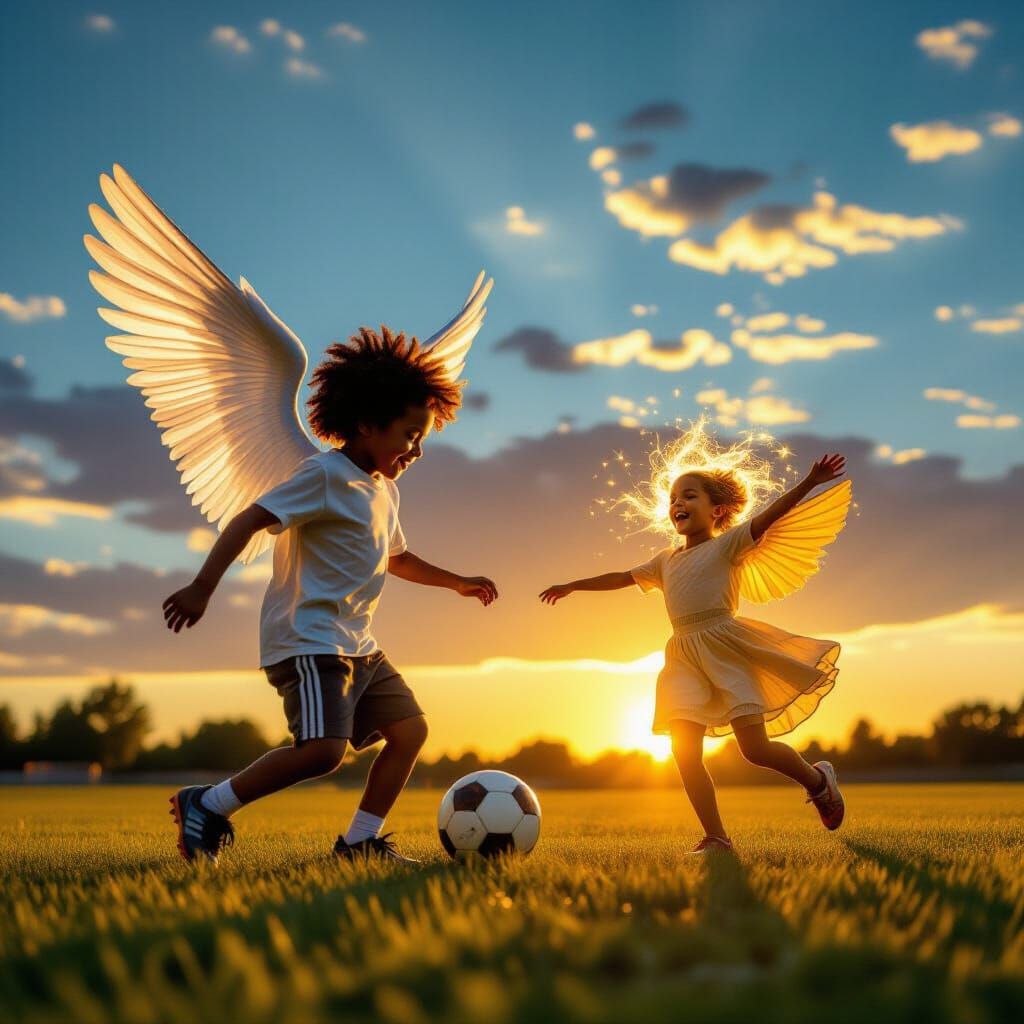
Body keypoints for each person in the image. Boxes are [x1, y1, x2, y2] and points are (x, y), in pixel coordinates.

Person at [540, 453, 851, 853]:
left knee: (755, 750)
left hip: (726, 650)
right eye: (673, 499)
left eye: (689, 496)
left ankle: (818, 781)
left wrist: (810, 482)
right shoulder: (665, 561)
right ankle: (716, 837)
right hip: (683, 660)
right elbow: (621, 577)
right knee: (684, 753)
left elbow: (769, 517)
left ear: (717, 510)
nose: (678, 504)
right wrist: (572, 586)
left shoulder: (728, 545)